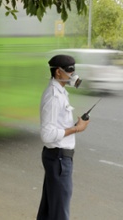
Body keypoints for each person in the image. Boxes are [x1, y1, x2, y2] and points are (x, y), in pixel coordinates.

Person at [37, 54, 90, 220]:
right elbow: (47, 135)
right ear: (58, 72)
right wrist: (76, 128)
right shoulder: (54, 97)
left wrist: (75, 125)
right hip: (58, 159)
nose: (73, 74)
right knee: (60, 212)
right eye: (69, 70)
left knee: (50, 209)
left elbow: (57, 126)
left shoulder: (60, 92)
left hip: (58, 158)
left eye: (74, 70)